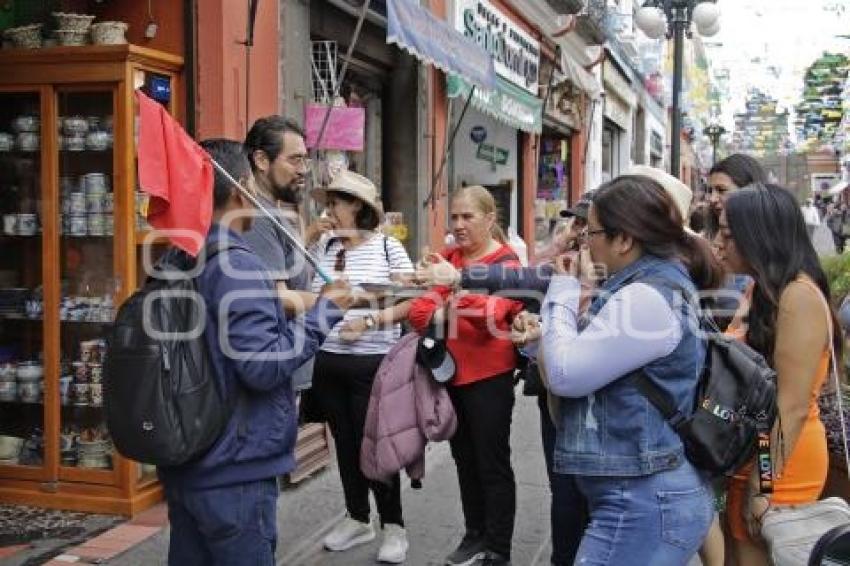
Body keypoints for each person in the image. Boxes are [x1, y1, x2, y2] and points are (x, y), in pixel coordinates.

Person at [159, 139, 354, 566]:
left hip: (188, 456)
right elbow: (262, 368)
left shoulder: (177, 255)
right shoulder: (238, 264)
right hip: (233, 465)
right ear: (238, 189)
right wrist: (324, 314)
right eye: (249, 182)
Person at [540, 175, 722, 564]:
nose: (584, 242)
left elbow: (564, 374)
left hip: (641, 500)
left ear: (624, 239)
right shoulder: (648, 284)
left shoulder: (646, 296)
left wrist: (563, 292)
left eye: (592, 232)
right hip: (640, 494)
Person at [716, 184, 842, 566]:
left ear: (758, 236)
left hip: (781, 464)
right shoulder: (765, 290)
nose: (719, 243)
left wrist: (764, 482)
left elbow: (792, 408)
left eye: (727, 234)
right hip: (750, 456)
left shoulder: (798, 296)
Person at [409, 185, 525, 566]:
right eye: (454, 217)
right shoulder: (448, 258)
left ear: (490, 219)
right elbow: (419, 313)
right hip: (450, 376)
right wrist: (449, 307)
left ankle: (498, 547)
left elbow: (493, 317)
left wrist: (453, 295)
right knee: (464, 460)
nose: (457, 225)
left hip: (490, 377)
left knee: (491, 463)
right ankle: (475, 534)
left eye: (467, 217)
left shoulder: (507, 263)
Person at [308, 170, 415, 564]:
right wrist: (308, 236)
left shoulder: (388, 248)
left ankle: (394, 526)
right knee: (346, 443)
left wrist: (369, 321)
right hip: (328, 360)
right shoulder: (322, 247)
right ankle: (357, 517)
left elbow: (409, 302)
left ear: (356, 206)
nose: (329, 210)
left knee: (377, 445)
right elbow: (304, 293)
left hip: (372, 361)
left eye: (335, 203)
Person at [243, 116, 333, 394]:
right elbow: (278, 298)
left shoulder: (278, 212)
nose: (303, 170)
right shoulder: (257, 217)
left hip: (289, 366)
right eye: (294, 160)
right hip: (275, 368)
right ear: (261, 160)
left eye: (305, 160)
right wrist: (334, 301)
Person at [706, 153, 768, 238]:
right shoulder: (704, 241)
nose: (712, 199)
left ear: (749, 190)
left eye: (721, 190)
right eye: (710, 191)